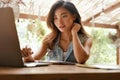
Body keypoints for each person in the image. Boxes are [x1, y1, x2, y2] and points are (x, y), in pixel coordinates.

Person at [21, 0, 92, 64]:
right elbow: (34, 59)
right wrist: (27, 57)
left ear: (74, 16)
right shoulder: (49, 40)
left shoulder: (86, 39)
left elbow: (81, 60)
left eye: (64, 16)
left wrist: (74, 33)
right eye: (55, 18)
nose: (59, 22)